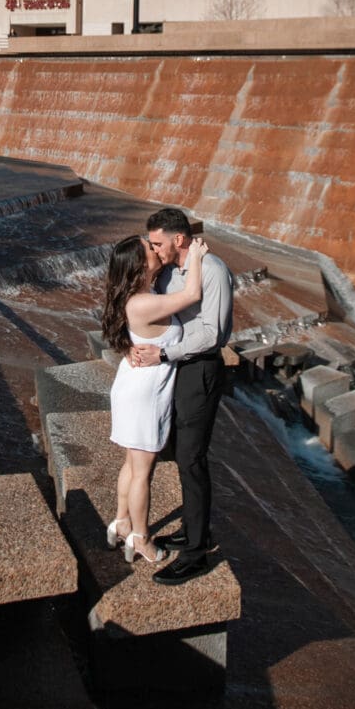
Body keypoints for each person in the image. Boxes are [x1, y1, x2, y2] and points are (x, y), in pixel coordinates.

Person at [132, 208, 233, 586]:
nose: (155, 250)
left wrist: (163, 354)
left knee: (192, 460)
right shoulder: (169, 271)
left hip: (199, 371)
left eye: (158, 243)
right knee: (176, 450)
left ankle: (196, 553)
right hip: (173, 368)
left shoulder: (212, 271)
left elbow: (212, 334)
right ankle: (193, 530)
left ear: (179, 239)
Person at [102, 234, 209, 564]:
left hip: (135, 385)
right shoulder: (141, 302)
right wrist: (197, 256)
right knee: (143, 472)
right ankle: (141, 539)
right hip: (144, 394)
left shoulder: (142, 294)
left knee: (132, 463)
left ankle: (122, 522)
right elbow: (192, 294)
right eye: (150, 248)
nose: (156, 248)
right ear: (139, 264)